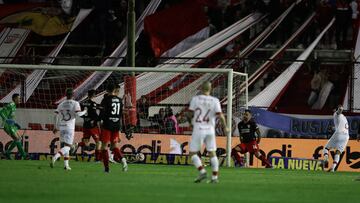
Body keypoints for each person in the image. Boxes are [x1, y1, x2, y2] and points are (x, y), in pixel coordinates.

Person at [186, 81, 229, 183]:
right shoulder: (215, 100)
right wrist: (226, 127)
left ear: (201, 88)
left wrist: (190, 123)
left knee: (192, 154)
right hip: (210, 130)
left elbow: (189, 114)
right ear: (210, 89)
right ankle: (214, 177)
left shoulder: (195, 99)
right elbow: (221, 116)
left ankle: (202, 172)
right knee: (212, 153)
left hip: (199, 129)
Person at [51, 88, 87, 170]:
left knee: (66, 145)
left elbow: (55, 115)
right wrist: (85, 111)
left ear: (65, 94)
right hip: (69, 127)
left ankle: (66, 165)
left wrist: (55, 126)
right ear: (73, 95)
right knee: (69, 146)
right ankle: (55, 157)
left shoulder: (61, 103)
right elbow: (79, 114)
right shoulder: (75, 103)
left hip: (61, 126)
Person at [99, 83, 128, 173]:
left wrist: (98, 119)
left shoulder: (106, 99)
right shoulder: (119, 100)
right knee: (114, 146)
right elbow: (120, 114)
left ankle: (107, 168)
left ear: (107, 90)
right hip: (116, 125)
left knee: (104, 147)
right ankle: (123, 160)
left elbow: (102, 114)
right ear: (114, 89)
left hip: (107, 125)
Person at [75, 89, 102, 162]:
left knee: (85, 143)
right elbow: (95, 115)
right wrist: (98, 118)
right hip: (92, 126)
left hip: (85, 125)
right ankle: (97, 159)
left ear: (87, 95)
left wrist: (85, 118)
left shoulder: (82, 103)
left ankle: (77, 144)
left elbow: (80, 114)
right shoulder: (93, 104)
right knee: (98, 142)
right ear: (94, 95)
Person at [322, 105, 349, 172]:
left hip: (339, 134)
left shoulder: (336, 114)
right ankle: (333, 168)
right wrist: (333, 128)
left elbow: (338, 112)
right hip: (346, 136)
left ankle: (326, 159)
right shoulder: (344, 117)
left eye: (334, 109)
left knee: (326, 148)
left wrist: (340, 109)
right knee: (338, 152)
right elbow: (340, 126)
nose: (333, 111)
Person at [0, 93, 27, 159]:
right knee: (17, 139)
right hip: (7, 125)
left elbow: (10, 117)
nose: (20, 99)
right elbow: (1, 112)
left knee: (19, 139)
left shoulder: (14, 106)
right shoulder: (11, 104)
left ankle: (8, 153)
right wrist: (6, 120)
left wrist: (15, 124)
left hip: (12, 125)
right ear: (15, 99)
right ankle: (24, 156)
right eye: (19, 98)